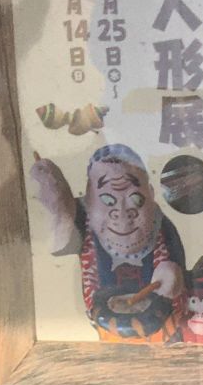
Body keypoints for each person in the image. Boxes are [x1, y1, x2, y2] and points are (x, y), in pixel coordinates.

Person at [29, 143, 186, 344]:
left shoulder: (160, 224)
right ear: (89, 197)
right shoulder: (82, 217)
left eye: (135, 199)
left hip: (158, 323)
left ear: (150, 193)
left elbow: (177, 269)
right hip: (105, 322)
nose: (122, 212)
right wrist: (58, 198)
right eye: (108, 200)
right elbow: (59, 243)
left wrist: (172, 274)